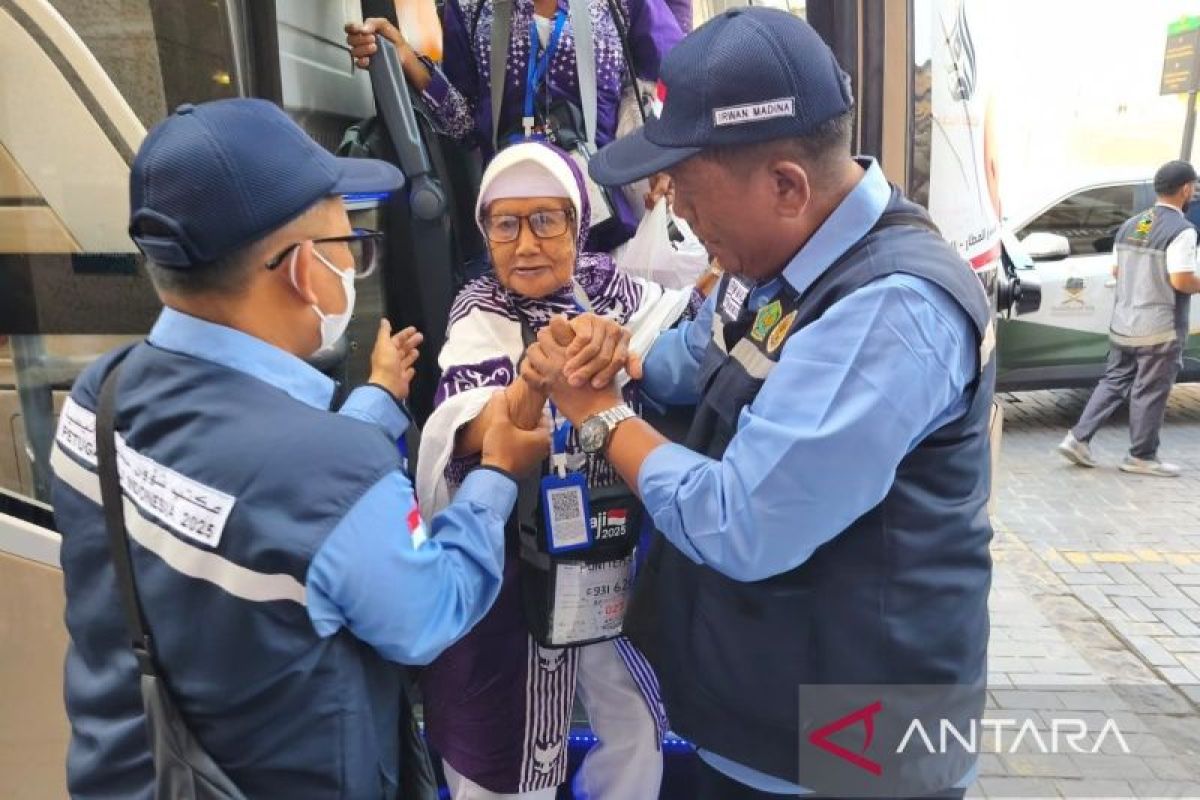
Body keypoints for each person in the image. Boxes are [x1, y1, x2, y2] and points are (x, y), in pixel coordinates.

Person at [519, 9, 996, 798]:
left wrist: (599, 414)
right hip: (765, 724)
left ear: (785, 185)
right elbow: (688, 364)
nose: (678, 212)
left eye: (688, 190)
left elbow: (741, 523)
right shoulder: (778, 263)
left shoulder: (888, 309)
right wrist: (609, 353)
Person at [50, 98, 548, 798]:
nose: (353, 266)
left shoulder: (99, 396)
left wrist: (377, 397)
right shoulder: (331, 474)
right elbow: (430, 612)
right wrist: (496, 475)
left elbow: (278, 503)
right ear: (303, 269)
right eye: (351, 246)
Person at [414, 141, 690, 799]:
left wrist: (619, 347)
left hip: (609, 545)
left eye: (546, 220)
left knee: (633, 713)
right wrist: (531, 385)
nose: (526, 244)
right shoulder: (479, 307)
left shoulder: (609, 286)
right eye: (505, 224)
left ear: (578, 222)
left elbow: (680, 329)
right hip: (517, 560)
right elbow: (461, 422)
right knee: (506, 732)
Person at [344, 0, 684, 251]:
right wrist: (405, 58)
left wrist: (667, 162)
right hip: (516, 228)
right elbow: (465, 124)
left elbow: (677, 80)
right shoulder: (469, 8)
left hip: (606, 224)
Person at [1058, 160, 1200, 477]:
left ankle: (1077, 439)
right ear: (1185, 189)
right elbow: (1181, 280)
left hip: (1124, 322)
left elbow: (1117, 270)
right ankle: (1141, 456)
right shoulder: (1182, 231)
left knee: (1113, 382)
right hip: (1160, 328)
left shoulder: (1135, 224)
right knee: (1150, 390)